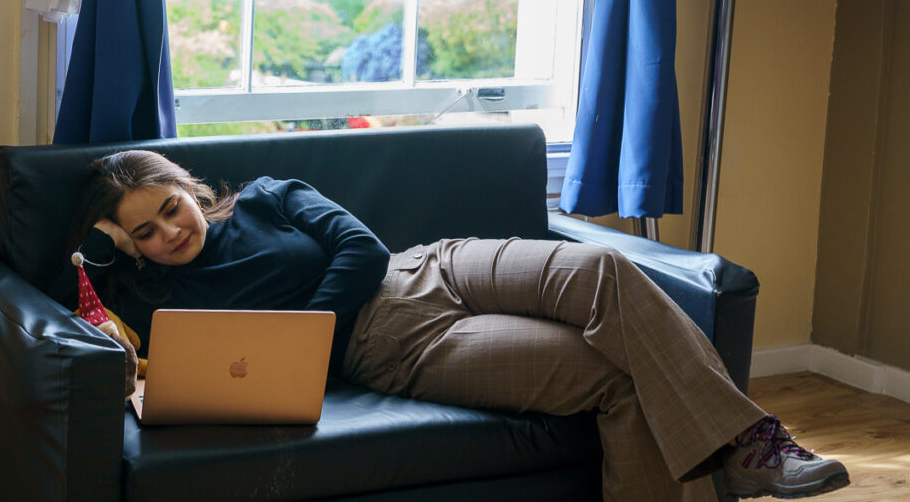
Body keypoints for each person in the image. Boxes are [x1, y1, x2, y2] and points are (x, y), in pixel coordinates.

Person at [53, 150, 850, 502]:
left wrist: (298, 331)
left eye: (170, 208)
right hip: (399, 346)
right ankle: (743, 453)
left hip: (431, 264)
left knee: (606, 273)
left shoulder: (267, 191)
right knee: (614, 376)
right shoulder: (149, 300)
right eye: (144, 232)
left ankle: (752, 442)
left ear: (190, 188)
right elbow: (84, 308)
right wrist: (106, 251)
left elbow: (360, 245)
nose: (168, 232)